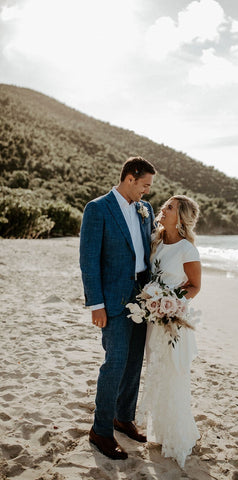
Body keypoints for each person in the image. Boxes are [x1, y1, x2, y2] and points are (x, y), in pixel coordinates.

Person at [79, 156, 156, 460]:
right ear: (129, 178)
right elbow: (88, 260)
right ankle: (101, 430)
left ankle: (123, 418)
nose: (147, 192)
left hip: (143, 295)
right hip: (112, 298)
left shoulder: (145, 209)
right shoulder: (97, 208)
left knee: (134, 361)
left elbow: (151, 249)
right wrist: (96, 304)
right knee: (116, 361)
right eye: (145, 185)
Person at [137, 195, 202, 468]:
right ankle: (159, 430)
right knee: (155, 370)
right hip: (154, 318)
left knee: (173, 373)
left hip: (172, 320)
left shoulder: (188, 249)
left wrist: (174, 304)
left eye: (170, 207)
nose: (162, 209)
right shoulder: (155, 241)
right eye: (164, 205)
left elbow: (194, 286)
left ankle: (174, 433)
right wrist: (156, 303)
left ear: (182, 217)